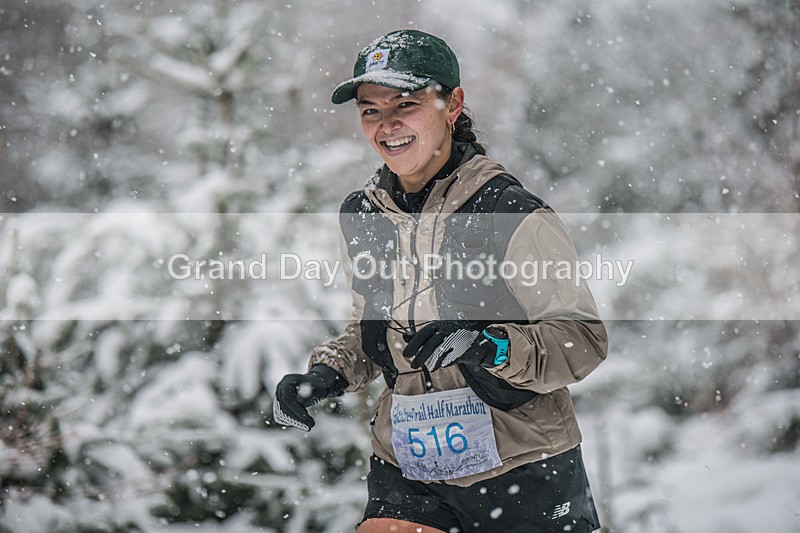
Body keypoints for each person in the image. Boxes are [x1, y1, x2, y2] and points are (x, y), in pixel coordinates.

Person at [273, 29, 607, 533]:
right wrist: (326, 375)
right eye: (370, 110)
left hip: (521, 462)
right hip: (409, 465)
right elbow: (376, 331)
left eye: (405, 104)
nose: (387, 126)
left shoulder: (509, 212)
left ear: (452, 105)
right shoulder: (362, 215)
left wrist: (488, 343)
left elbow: (582, 340)